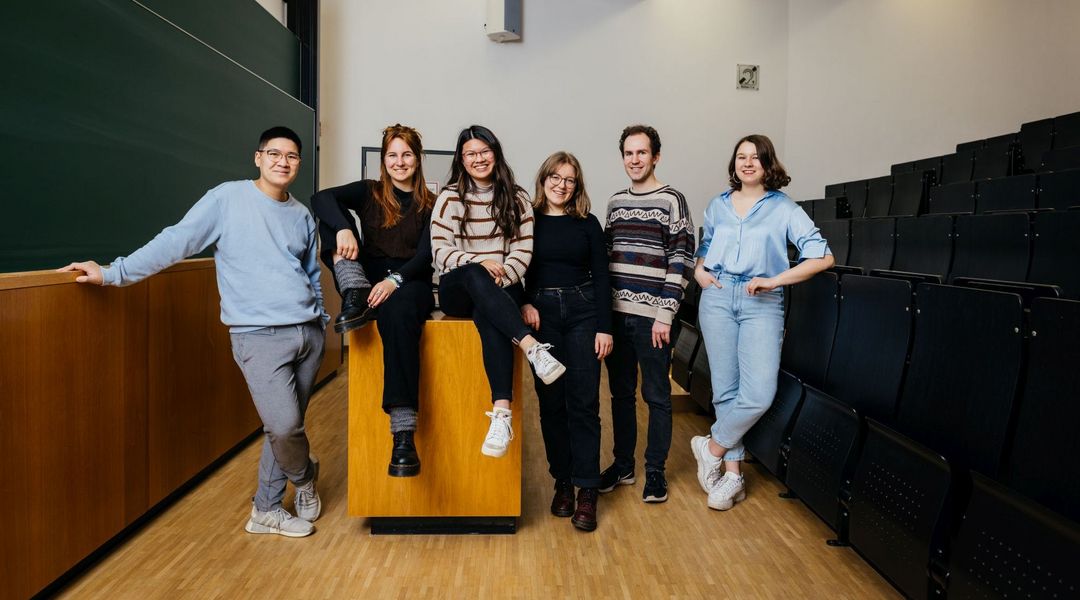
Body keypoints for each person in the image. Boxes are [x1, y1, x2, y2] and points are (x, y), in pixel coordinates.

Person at [58, 126, 328, 538]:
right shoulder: (226, 199)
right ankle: (306, 477)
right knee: (286, 426)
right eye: (274, 153)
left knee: (282, 428)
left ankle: (266, 511)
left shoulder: (301, 214)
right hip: (258, 336)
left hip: (307, 334)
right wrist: (114, 273)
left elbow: (311, 272)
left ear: (299, 164)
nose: (282, 162)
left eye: (291, 156)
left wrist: (321, 320)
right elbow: (177, 240)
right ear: (258, 157)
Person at [689, 134, 833, 511]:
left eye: (756, 157)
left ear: (768, 164)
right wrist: (700, 272)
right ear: (734, 164)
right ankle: (732, 478)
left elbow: (823, 257)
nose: (747, 163)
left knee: (757, 394)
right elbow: (703, 251)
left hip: (762, 300)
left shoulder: (784, 208)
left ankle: (712, 446)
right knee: (725, 391)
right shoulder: (718, 205)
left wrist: (774, 280)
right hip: (718, 297)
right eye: (741, 156)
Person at [430, 124, 566, 459]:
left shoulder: (517, 197)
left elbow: (523, 253)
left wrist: (496, 275)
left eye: (484, 152)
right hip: (455, 287)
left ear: (496, 153)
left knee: (488, 314)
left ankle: (501, 414)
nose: (479, 159)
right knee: (475, 274)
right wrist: (479, 262)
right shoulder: (449, 198)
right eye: (470, 154)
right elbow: (440, 251)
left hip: (500, 288)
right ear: (462, 160)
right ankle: (533, 348)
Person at [311, 124, 435, 477]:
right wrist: (346, 227)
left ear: (417, 159)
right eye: (392, 155)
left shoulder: (432, 203)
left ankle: (403, 434)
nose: (400, 162)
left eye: (407, 154)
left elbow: (426, 256)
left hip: (410, 282)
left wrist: (394, 281)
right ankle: (353, 295)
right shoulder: (370, 191)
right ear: (383, 160)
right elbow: (320, 198)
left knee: (396, 315)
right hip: (366, 276)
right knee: (332, 220)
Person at [601, 125, 695, 504]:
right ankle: (623, 464)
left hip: (653, 318)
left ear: (656, 156)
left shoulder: (673, 200)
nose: (634, 160)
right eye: (628, 153)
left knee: (656, 395)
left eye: (641, 153)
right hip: (616, 315)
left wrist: (665, 314)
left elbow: (682, 259)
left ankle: (655, 472)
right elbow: (606, 258)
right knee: (620, 394)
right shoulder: (614, 203)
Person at [520, 152, 612, 532]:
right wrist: (523, 302)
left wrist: (605, 327)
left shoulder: (587, 223)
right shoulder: (526, 221)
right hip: (541, 314)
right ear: (543, 180)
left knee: (584, 401)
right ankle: (562, 480)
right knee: (551, 403)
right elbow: (517, 266)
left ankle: (586, 488)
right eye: (555, 177)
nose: (561, 184)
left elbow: (604, 276)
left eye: (569, 180)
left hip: (583, 311)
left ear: (577, 186)